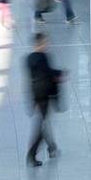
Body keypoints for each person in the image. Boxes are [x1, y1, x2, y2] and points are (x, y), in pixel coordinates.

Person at [24, 31, 61, 168]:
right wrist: (59, 74)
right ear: (40, 44)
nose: (47, 44)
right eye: (45, 42)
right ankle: (31, 154)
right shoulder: (43, 58)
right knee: (42, 126)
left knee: (44, 123)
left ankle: (52, 147)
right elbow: (48, 74)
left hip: (36, 95)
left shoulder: (29, 59)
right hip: (44, 95)